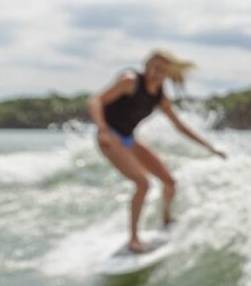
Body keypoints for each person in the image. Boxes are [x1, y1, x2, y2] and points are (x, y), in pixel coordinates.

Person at [86, 49, 226, 252]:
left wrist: (210, 147)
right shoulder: (130, 81)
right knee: (143, 183)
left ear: (168, 73)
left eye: (161, 70)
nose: (155, 72)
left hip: (129, 138)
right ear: (146, 66)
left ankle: (167, 221)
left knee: (169, 181)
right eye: (152, 67)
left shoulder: (160, 97)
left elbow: (180, 126)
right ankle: (134, 239)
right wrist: (102, 129)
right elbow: (95, 101)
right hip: (110, 136)